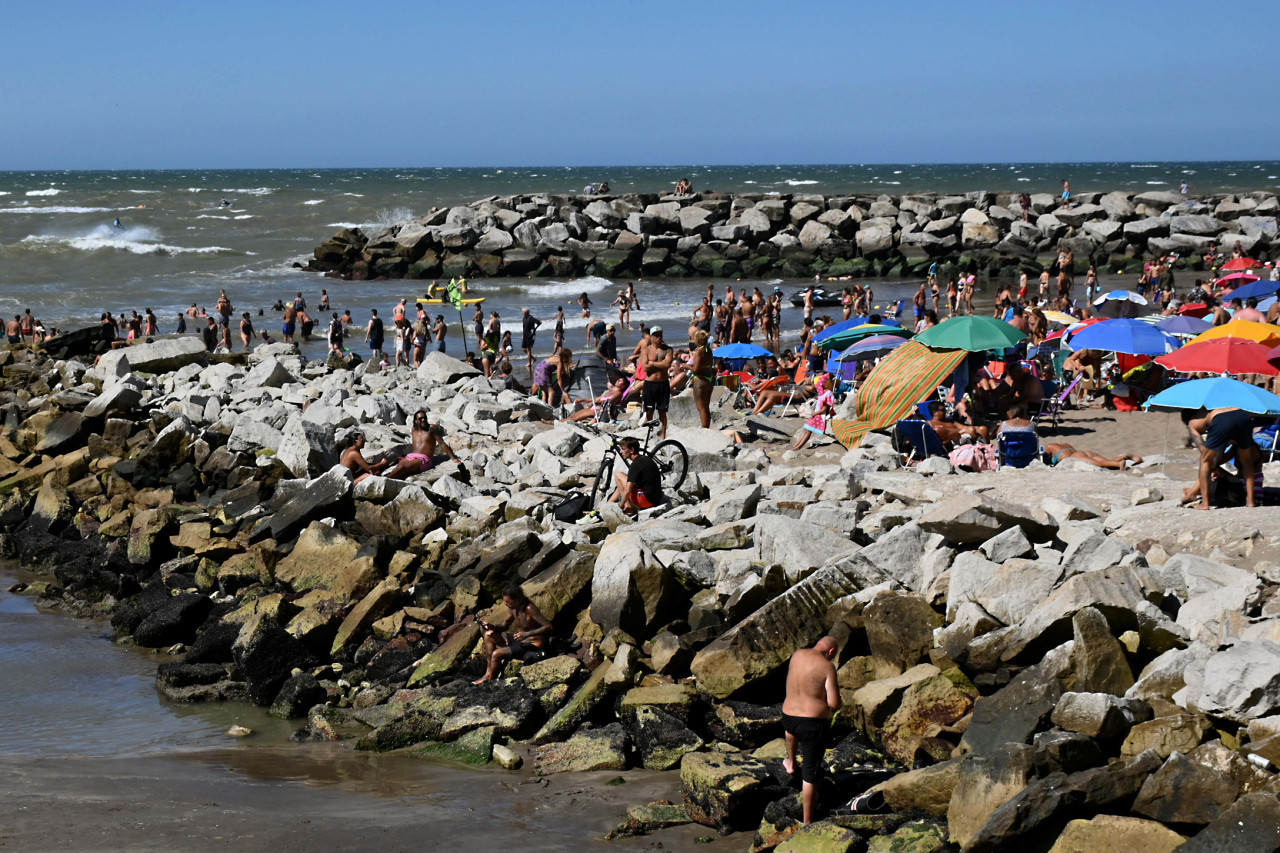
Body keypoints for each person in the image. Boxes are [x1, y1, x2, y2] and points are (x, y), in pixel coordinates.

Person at [782, 636, 840, 825]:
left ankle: (790, 763)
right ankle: (808, 822)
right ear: (831, 652)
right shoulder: (827, 667)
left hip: (788, 718)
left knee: (791, 732)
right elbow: (833, 703)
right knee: (810, 775)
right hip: (812, 725)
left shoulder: (797, 655)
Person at [472, 588, 553, 685]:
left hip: (532, 645)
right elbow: (504, 626)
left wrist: (526, 634)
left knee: (496, 654)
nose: (505, 604)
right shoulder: (513, 609)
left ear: (517, 599)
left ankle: (490, 682)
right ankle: (488, 674)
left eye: (508, 601)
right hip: (519, 640)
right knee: (488, 635)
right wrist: (491, 626)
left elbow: (549, 627)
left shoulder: (529, 609)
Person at [1185, 407, 1260, 509]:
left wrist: (1215, 468)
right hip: (1243, 416)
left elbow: (1204, 453)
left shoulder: (1192, 424)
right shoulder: (1215, 411)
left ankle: (1205, 503)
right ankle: (1251, 501)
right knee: (1247, 461)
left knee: (1204, 461)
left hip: (1222, 420)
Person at [384, 410, 461, 479]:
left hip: (424, 459)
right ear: (416, 421)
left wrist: (453, 458)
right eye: (420, 419)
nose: (423, 420)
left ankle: (382, 480)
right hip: (412, 456)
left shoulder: (432, 428)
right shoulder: (414, 429)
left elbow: (441, 443)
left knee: (401, 469)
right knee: (397, 470)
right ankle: (379, 475)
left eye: (424, 418)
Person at [609, 436, 665, 513]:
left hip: (646, 501)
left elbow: (628, 490)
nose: (621, 452)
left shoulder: (635, 465)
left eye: (623, 449)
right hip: (655, 499)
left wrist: (620, 507)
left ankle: (627, 507)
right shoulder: (645, 459)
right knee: (621, 485)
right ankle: (607, 505)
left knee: (619, 475)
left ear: (632, 450)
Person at [639, 326, 674, 438]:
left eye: (660, 335)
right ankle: (647, 435)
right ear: (652, 337)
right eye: (656, 335)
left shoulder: (668, 349)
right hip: (650, 384)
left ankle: (663, 435)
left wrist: (652, 363)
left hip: (663, 384)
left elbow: (667, 364)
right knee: (649, 412)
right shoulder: (646, 350)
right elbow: (645, 367)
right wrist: (660, 364)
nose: (659, 337)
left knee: (662, 412)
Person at [792, 374, 835, 451]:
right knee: (805, 429)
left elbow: (824, 409)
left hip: (820, 416)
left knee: (808, 430)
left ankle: (798, 446)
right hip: (816, 414)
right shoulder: (823, 393)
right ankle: (796, 445)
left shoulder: (827, 394)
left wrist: (815, 413)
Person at [689, 328, 715, 429]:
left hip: (700, 381)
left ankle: (704, 429)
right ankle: (706, 427)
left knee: (701, 407)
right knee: (706, 406)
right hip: (709, 380)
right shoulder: (709, 351)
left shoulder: (699, 351)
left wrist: (686, 367)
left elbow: (695, 369)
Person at [520, 307, 541, 372]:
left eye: (523, 311)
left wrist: (535, 329)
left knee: (528, 349)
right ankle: (533, 359)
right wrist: (522, 335)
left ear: (526, 312)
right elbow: (524, 327)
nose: (522, 312)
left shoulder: (530, 318)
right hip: (525, 335)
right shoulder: (524, 318)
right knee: (523, 348)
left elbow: (539, 322)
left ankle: (529, 363)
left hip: (530, 335)